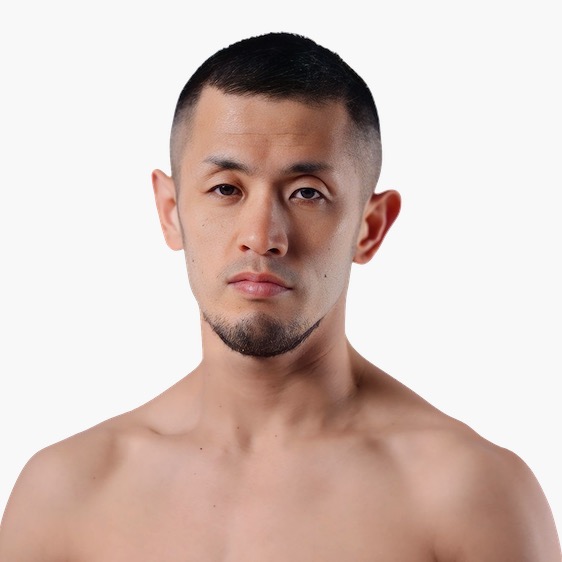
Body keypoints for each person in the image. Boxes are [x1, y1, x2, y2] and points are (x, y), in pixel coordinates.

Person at [0, 31, 559, 561]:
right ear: (170, 212)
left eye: (307, 193)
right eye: (226, 189)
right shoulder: (65, 494)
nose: (262, 236)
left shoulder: (468, 495)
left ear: (369, 227)